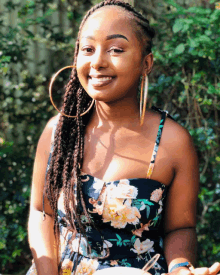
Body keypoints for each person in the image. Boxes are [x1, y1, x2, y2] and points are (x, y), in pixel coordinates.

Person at [26, 1, 220, 275]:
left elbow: (181, 227)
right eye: (88, 49)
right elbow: (41, 212)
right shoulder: (60, 132)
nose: (98, 62)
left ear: (146, 63)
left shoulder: (173, 142)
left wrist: (180, 268)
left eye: (116, 49)